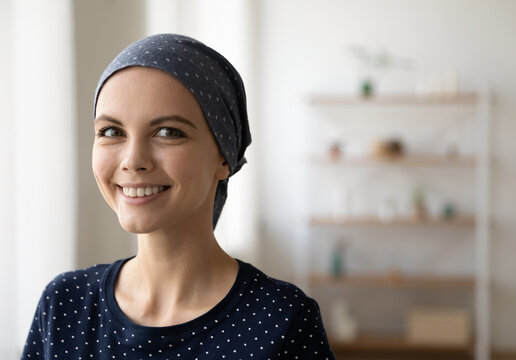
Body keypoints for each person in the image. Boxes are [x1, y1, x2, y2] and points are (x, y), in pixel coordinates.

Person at [21, 33, 335, 359]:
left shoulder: (282, 320)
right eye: (112, 132)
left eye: (169, 132)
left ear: (223, 157)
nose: (133, 160)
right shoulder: (63, 304)